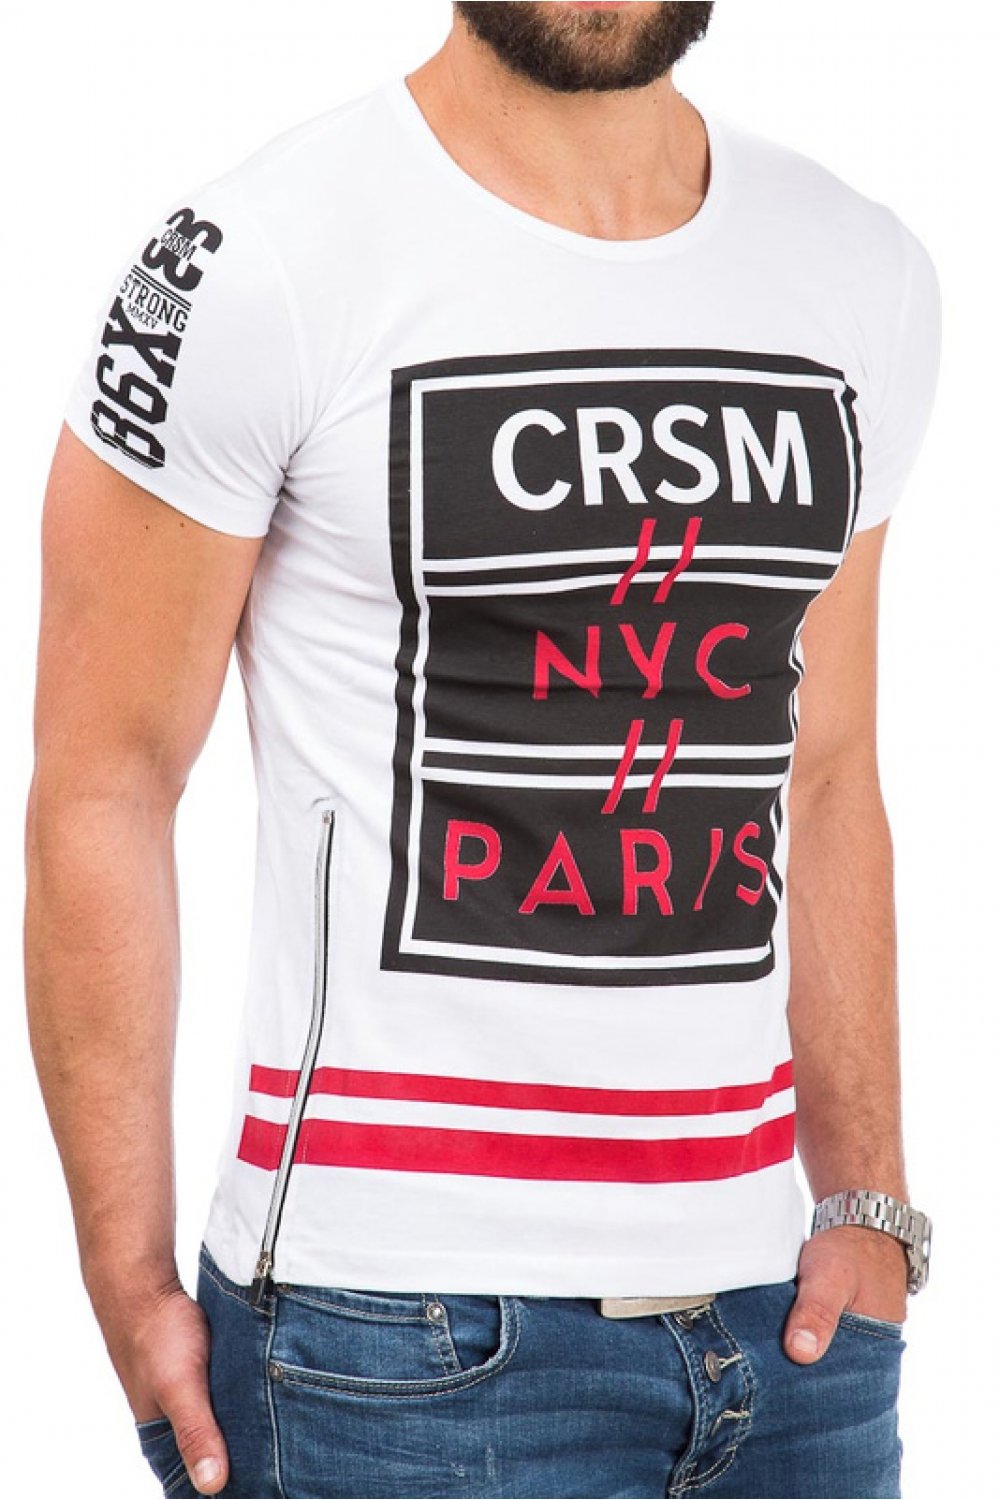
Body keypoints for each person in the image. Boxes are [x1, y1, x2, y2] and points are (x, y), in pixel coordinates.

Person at [24, 3, 941, 1497]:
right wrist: (126, 1285)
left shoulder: (860, 270)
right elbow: (104, 780)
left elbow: (827, 768)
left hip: (791, 1340)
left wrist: (870, 1203)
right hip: (390, 1338)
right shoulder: (259, 260)